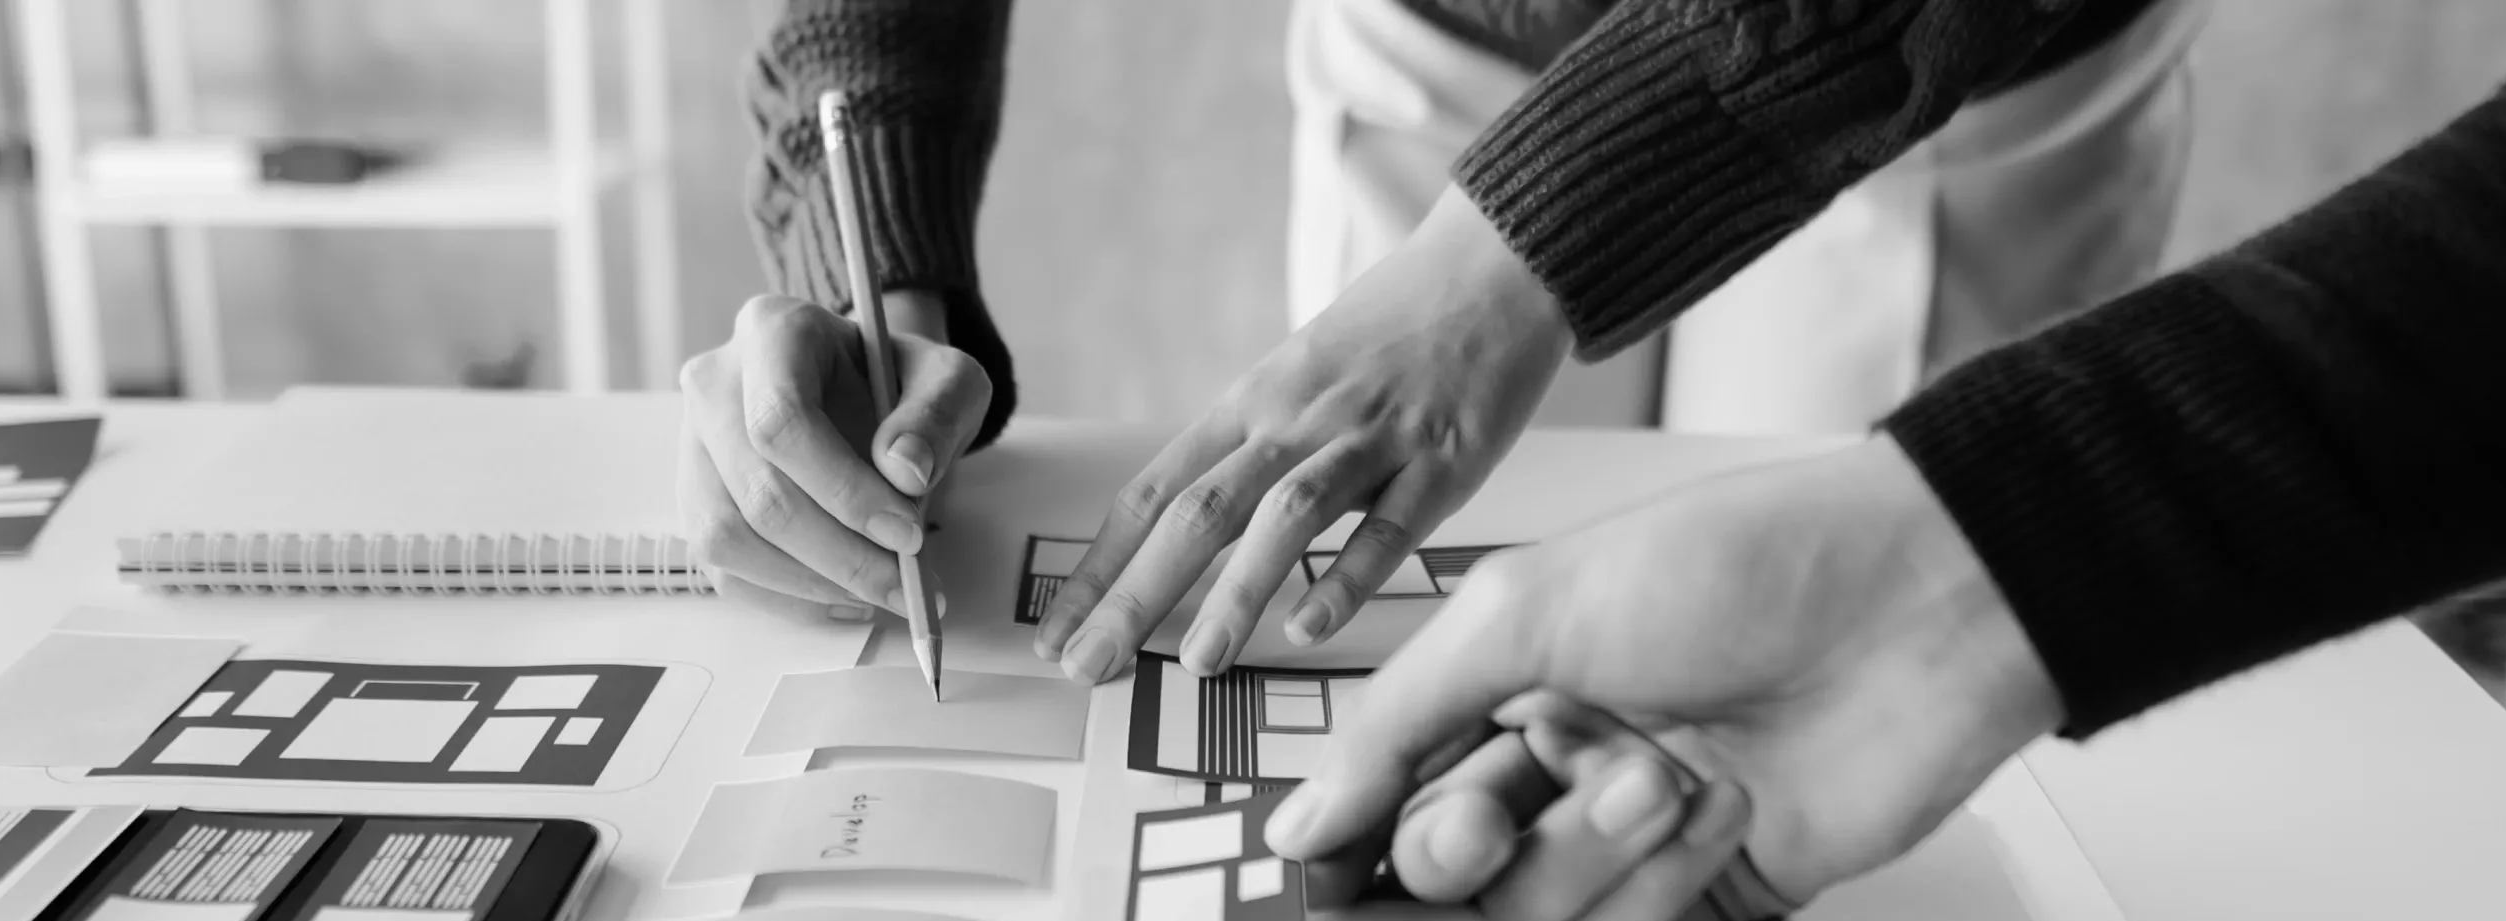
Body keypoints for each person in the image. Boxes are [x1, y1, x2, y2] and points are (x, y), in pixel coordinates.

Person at [1261, 44, 2506, 921]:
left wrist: (1963, 571)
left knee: (1897, 766)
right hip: (1445, 28)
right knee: (1487, 658)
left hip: (1959, 60)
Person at [675, 0, 2210, 661]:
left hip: (1918, 71)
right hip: (1437, 32)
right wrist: (868, 238)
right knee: (1378, 622)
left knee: (1840, 638)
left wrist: (1509, 259)